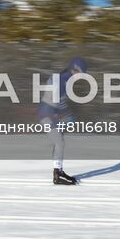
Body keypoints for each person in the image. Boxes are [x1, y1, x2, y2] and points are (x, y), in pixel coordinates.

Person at [38, 57, 88, 185]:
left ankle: (58, 171)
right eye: (80, 73)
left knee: (59, 141)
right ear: (74, 69)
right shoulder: (63, 79)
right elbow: (57, 100)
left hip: (50, 113)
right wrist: (66, 115)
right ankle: (57, 174)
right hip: (47, 114)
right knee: (59, 142)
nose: (80, 77)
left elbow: (59, 100)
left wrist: (65, 114)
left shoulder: (64, 78)